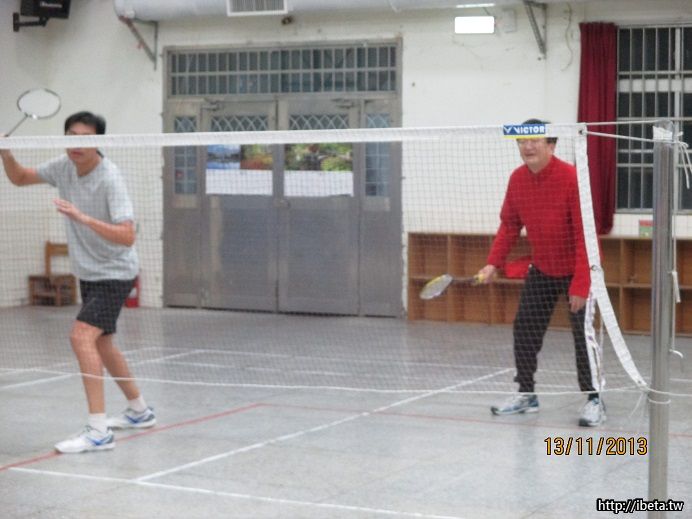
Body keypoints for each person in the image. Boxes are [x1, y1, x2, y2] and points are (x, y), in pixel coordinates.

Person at [1, 112, 156, 453]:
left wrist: (82, 217)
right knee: (103, 344)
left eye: (85, 138)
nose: (77, 144)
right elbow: (20, 178)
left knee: (81, 336)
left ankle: (98, 431)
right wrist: (6, 153)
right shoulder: (64, 166)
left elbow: (127, 235)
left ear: (98, 141)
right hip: (89, 272)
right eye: (71, 136)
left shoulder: (110, 178)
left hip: (115, 272)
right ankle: (140, 411)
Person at [477, 118, 605, 427]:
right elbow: (510, 225)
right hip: (543, 269)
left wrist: (581, 284)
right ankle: (526, 394)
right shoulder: (517, 180)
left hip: (577, 270)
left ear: (551, 145)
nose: (528, 146)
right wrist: (493, 263)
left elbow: (585, 236)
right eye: (522, 141)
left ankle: (594, 400)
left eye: (535, 140)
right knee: (524, 328)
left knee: (583, 336)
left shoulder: (571, 178)